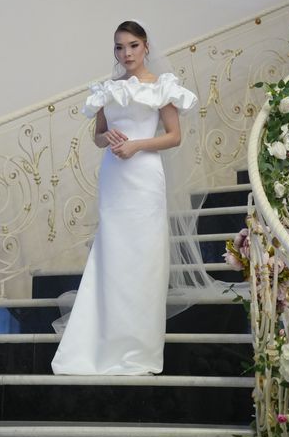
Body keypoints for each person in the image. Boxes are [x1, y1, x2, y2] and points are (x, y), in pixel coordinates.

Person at [51, 19, 198, 375]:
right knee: (112, 253)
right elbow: (98, 136)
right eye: (119, 47)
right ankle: (101, 342)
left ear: (146, 46)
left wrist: (137, 145)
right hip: (115, 177)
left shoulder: (162, 86)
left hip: (144, 177)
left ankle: (138, 349)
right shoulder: (107, 89)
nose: (126, 53)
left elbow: (174, 136)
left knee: (143, 258)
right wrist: (109, 139)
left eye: (133, 45)